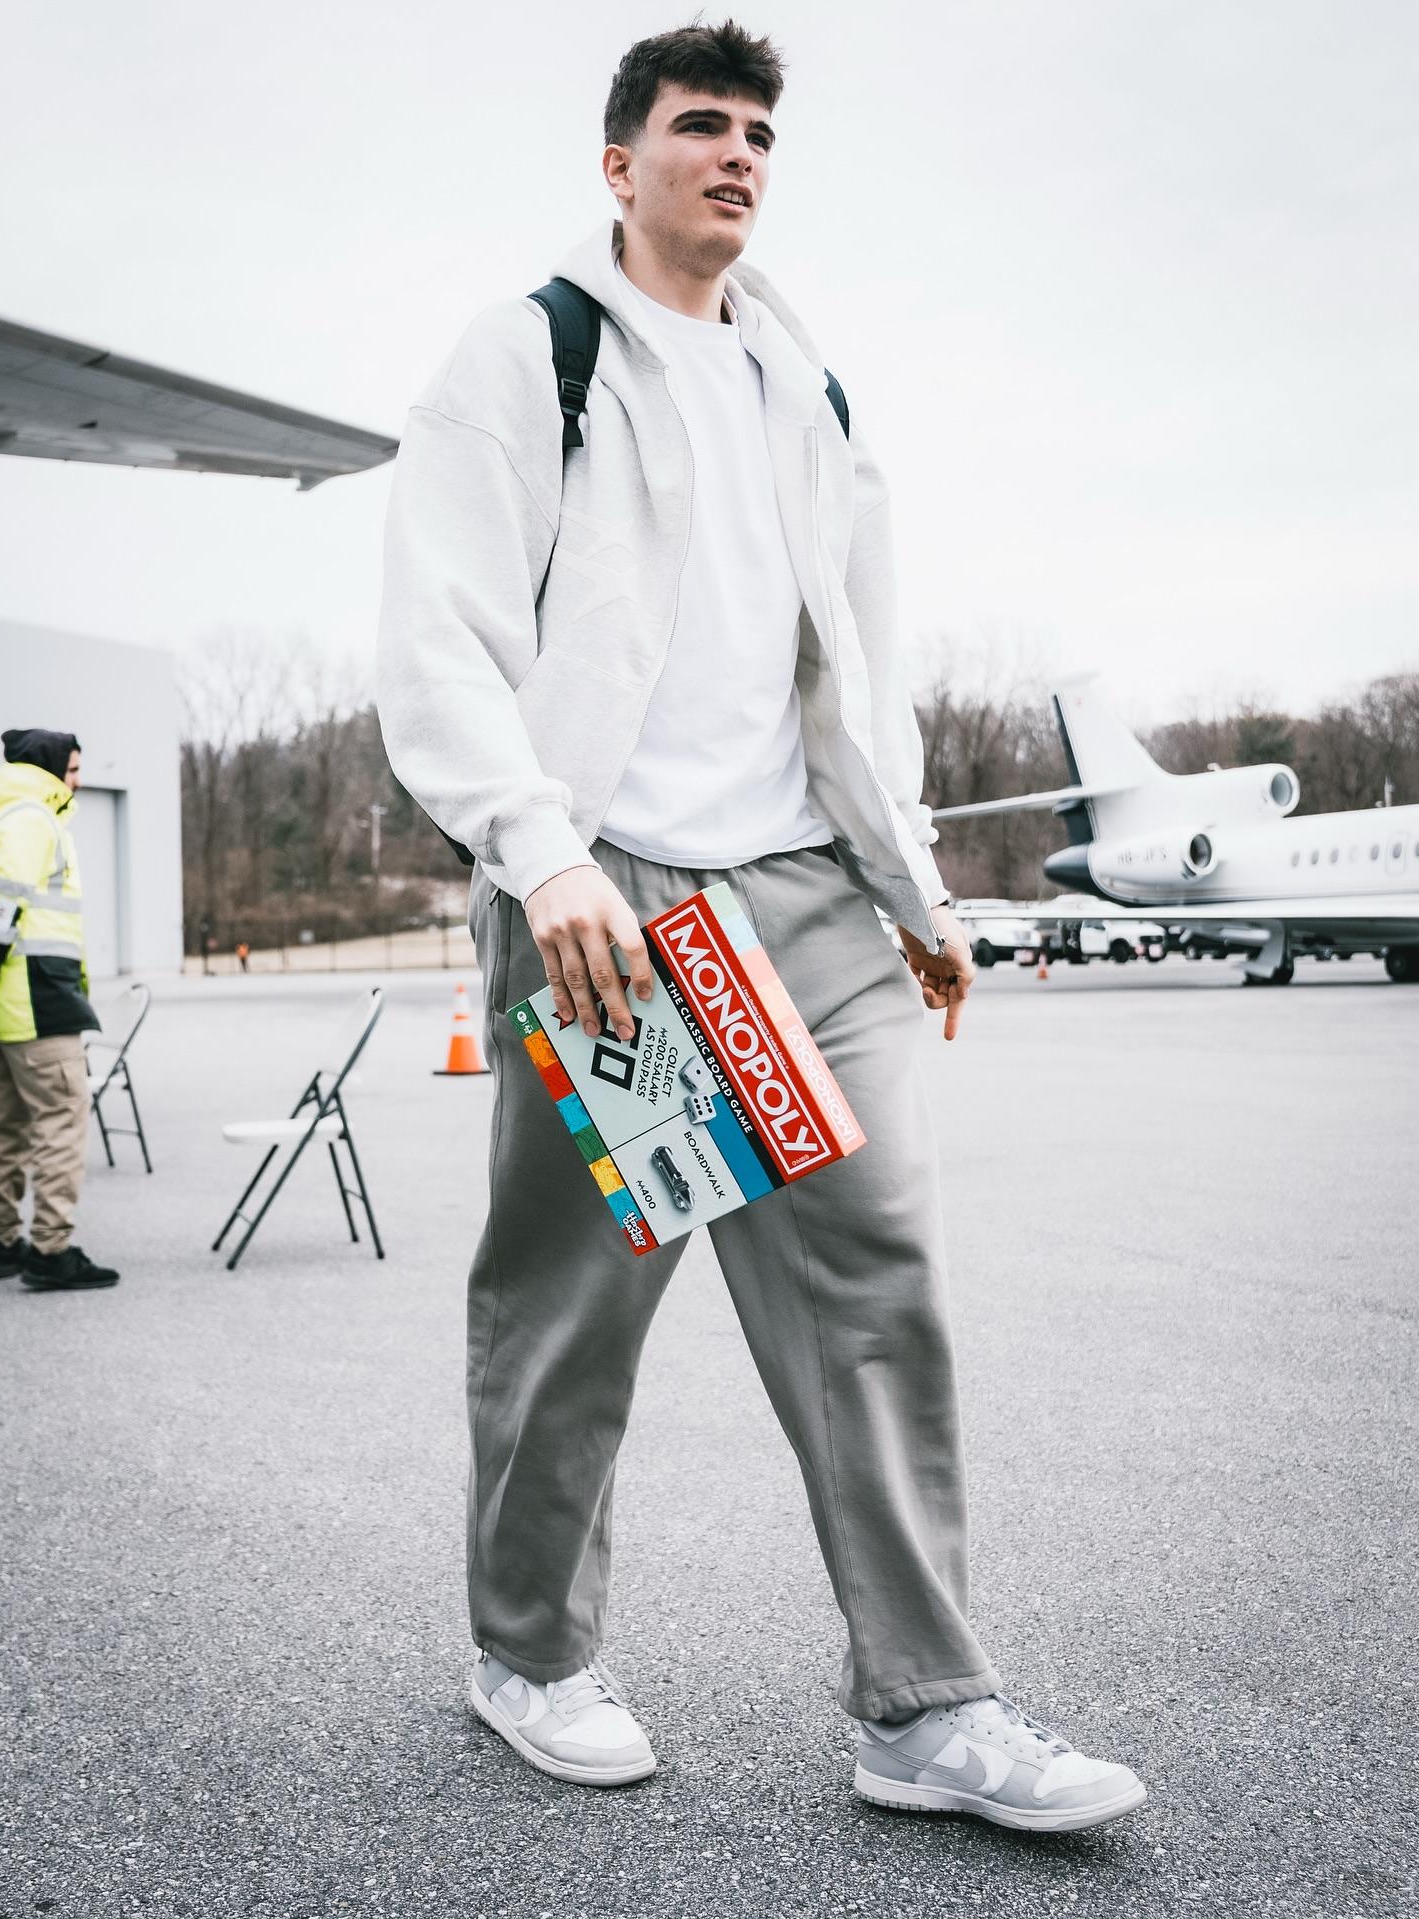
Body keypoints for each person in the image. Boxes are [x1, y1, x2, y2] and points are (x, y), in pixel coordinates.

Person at [377, 21, 1144, 1831]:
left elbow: (858, 666)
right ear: (620, 160)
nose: (737, 155)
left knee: (876, 1286)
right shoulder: (531, 356)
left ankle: (927, 1705)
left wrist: (911, 882)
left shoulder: (806, 388)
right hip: (617, 905)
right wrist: (543, 852)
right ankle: (530, 1651)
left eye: (760, 134)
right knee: (585, 1300)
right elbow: (438, 637)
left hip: (801, 894)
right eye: (701, 125)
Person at [0, 730, 120, 1290]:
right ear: (48, 767)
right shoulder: (31, 819)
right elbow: (0, 908)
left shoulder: (6, 814)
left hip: (10, 1004)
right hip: (38, 1001)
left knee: (4, 1126)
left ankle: (1, 1244)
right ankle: (50, 1251)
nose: (79, 780)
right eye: (74, 768)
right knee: (62, 1122)